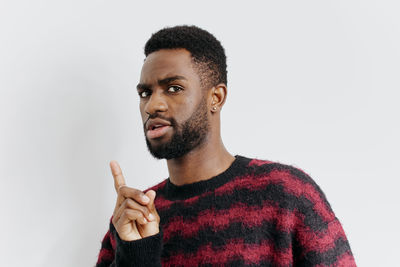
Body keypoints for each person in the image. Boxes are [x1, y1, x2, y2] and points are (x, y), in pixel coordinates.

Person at [96, 25, 356, 267]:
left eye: (173, 88)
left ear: (216, 97)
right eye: (145, 93)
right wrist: (137, 254)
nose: (152, 106)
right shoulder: (132, 219)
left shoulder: (286, 194)